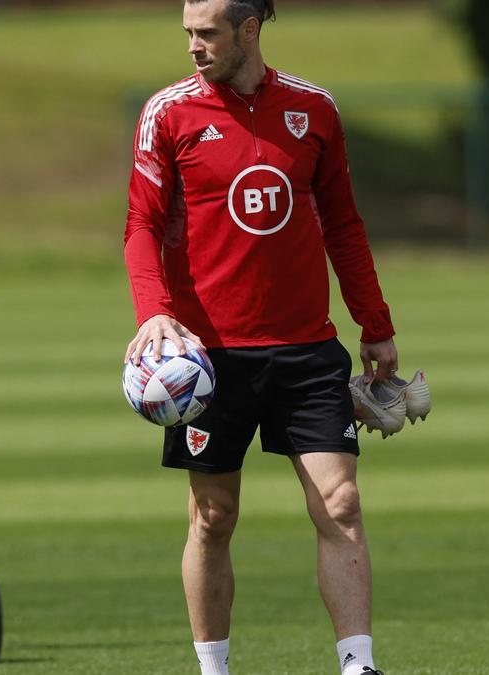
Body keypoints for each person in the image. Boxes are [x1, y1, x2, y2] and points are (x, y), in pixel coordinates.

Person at [122, 1, 397, 674]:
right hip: (208, 361)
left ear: (249, 30)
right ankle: (214, 669)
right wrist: (154, 312)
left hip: (306, 348)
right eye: (187, 32)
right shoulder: (169, 113)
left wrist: (376, 324)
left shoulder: (314, 109)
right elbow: (140, 226)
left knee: (341, 500)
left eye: (207, 32)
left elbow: (344, 224)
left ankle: (358, 664)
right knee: (213, 516)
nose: (193, 45)